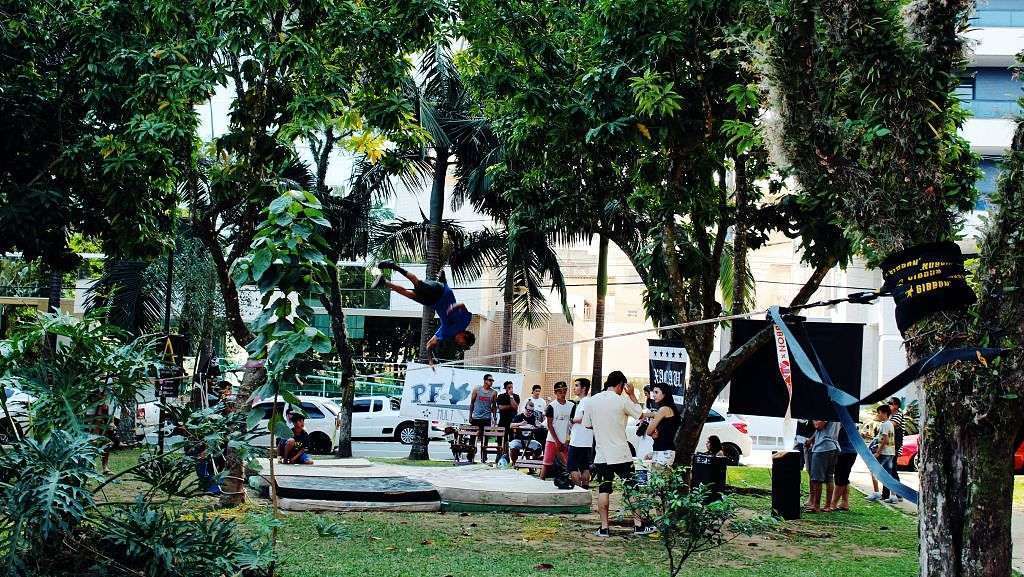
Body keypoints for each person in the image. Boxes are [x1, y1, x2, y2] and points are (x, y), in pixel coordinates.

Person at [583, 371, 656, 537]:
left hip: (602, 454)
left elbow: (587, 425)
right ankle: (638, 525)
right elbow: (640, 414)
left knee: (604, 490)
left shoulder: (592, 401)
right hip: (621, 453)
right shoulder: (622, 400)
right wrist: (632, 395)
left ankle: (604, 528)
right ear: (621, 385)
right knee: (632, 489)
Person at [372, 261, 475, 363]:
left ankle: (384, 282)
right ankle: (393, 265)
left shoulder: (447, 334)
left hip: (432, 303)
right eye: (462, 343)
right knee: (418, 284)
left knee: (408, 294)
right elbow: (462, 305)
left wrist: (430, 360)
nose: (459, 343)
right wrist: (453, 307)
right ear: (465, 336)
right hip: (442, 292)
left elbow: (429, 345)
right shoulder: (465, 322)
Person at [806, 419, 840, 512]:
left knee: (817, 479)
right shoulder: (836, 412)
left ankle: (816, 506)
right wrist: (811, 440)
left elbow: (818, 425)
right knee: (829, 477)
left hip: (822, 448)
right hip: (833, 446)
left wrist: (813, 417)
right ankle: (827, 506)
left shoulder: (825, 410)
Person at [542, 381, 574, 480]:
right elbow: (549, 425)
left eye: (564, 390)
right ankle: (541, 480)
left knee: (569, 463)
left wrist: (568, 439)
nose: (562, 393)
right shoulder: (551, 406)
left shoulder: (571, 405)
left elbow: (572, 424)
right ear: (555, 392)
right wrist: (557, 441)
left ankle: (571, 482)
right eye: (559, 391)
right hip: (552, 439)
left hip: (565, 439)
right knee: (547, 463)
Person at [868, 404, 899, 503]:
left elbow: (885, 440)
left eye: (879, 413)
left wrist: (878, 452)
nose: (878, 415)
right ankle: (893, 496)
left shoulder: (884, 425)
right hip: (890, 452)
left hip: (884, 453)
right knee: (889, 475)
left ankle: (876, 492)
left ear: (885, 413)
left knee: (873, 470)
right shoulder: (890, 424)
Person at [567, 378, 594, 489]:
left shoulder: (585, 401)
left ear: (583, 388)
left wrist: (572, 420)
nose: (575, 388)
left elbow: (584, 417)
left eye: (577, 385)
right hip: (586, 440)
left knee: (571, 466)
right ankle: (585, 488)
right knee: (584, 466)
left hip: (579, 440)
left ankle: (578, 489)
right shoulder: (587, 401)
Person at [645, 383, 679, 468]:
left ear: (664, 394)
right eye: (653, 392)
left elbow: (649, 431)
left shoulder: (664, 409)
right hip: (662, 450)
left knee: (659, 479)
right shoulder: (668, 409)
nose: (654, 395)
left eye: (656, 392)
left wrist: (652, 421)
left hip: (664, 452)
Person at [468, 374, 498, 464]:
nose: (491, 382)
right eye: (490, 380)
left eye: (492, 381)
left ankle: (484, 457)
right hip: (476, 417)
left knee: (486, 439)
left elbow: (494, 406)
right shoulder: (477, 390)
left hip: (486, 418)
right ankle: (470, 456)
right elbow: (472, 403)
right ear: (485, 380)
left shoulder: (493, 392)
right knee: (473, 438)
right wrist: (470, 416)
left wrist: (494, 417)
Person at [830, 422, 858, 511]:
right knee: (844, 478)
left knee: (840, 479)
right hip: (850, 451)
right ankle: (844, 502)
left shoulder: (841, 420)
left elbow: (834, 435)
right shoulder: (849, 419)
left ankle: (833, 504)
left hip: (845, 452)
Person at [508, 400, 544, 466]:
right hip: (518, 439)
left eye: (532, 411)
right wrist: (520, 424)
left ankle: (532, 464)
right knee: (513, 446)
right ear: (525, 409)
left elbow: (539, 426)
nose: (530, 412)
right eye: (528, 410)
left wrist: (538, 425)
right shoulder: (519, 417)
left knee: (538, 447)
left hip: (530, 440)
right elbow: (511, 425)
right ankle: (514, 463)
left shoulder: (534, 418)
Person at [495, 381, 520, 452]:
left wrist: (511, 397)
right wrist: (511, 406)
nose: (510, 389)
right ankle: (500, 454)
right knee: (501, 440)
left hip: (513, 422)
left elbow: (515, 407)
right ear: (505, 388)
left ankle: (512, 456)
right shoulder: (501, 396)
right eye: (509, 388)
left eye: (511, 387)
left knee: (513, 441)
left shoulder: (516, 396)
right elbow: (501, 407)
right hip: (503, 421)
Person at [888, 397, 905, 502]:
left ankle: (898, 493)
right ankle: (893, 493)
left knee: (893, 469)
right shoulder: (891, 416)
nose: (889, 405)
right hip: (891, 446)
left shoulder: (898, 415)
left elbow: (891, 426)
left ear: (896, 406)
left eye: (891, 404)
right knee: (891, 469)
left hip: (895, 446)